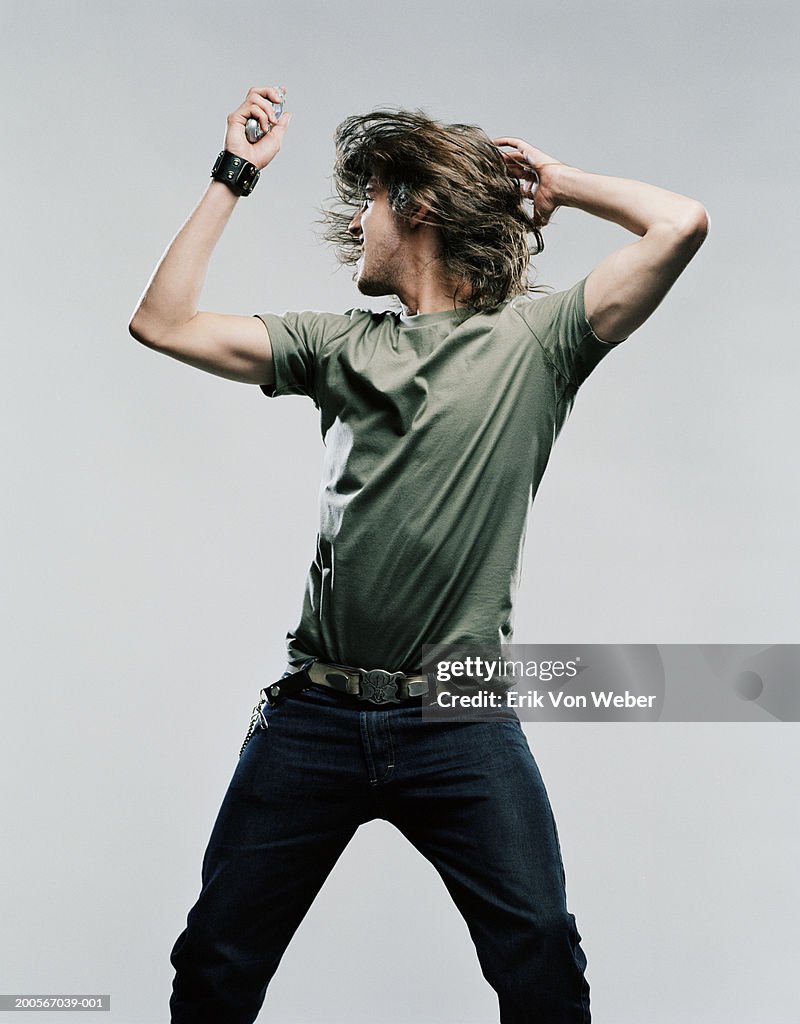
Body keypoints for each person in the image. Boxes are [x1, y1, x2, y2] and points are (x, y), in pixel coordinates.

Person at [130, 85, 708, 1024]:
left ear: (419, 204)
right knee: (213, 970)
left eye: (370, 198)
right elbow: (163, 322)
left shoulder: (541, 343)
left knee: (543, 972)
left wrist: (559, 181)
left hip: (461, 721)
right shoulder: (338, 346)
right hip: (315, 712)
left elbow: (680, 223)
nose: (356, 220)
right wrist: (233, 175)